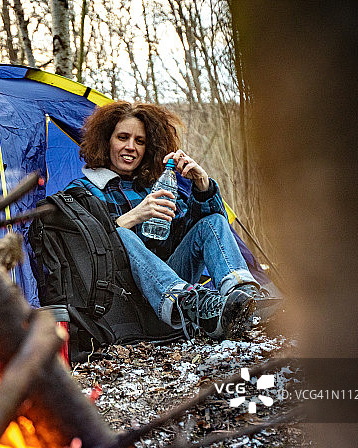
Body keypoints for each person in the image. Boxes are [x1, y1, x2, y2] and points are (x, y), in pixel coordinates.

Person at [68, 101, 262, 340]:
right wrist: (134, 216)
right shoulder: (82, 191)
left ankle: (243, 299)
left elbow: (194, 234)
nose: (131, 147)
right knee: (120, 233)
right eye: (122, 137)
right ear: (106, 140)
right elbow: (84, 248)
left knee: (212, 221)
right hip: (123, 300)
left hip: (175, 293)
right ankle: (187, 303)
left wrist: (201, 186)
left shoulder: (156, 187)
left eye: (140, 141)